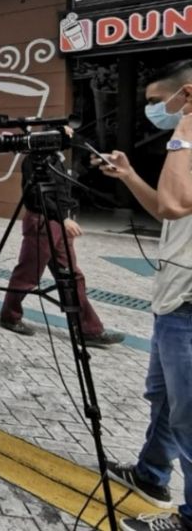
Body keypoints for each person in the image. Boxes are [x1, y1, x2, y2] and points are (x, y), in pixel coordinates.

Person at [98, 61, 192, 531]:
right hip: (172, 300)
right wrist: (131, 175)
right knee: (163, 398)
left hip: (190, 308)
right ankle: (152, 475)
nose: (154, 112)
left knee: (189, 417)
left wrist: (188, 128)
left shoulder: (188, 142)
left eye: (159, 102)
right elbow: (165, 209)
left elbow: (175, 202)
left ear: (187, 96)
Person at [0, 138, 125, 347]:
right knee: (28, 274)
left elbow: (67, 181)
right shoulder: (34, 160)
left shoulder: (56, 158)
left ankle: (89, 330)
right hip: (43, 222)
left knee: (72, 276)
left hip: (59, 224)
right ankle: (9, 316)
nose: (70, 135)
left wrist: (89, 164)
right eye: (64, 131)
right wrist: (62, 217)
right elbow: (36, 196)